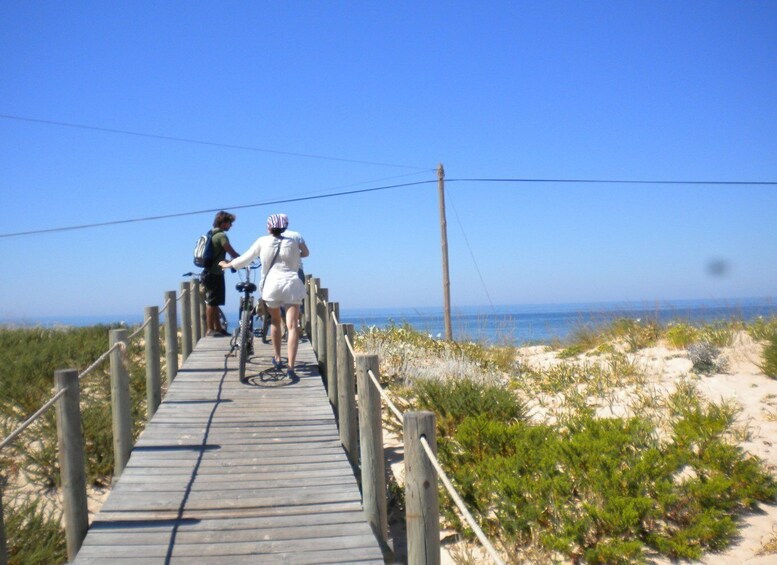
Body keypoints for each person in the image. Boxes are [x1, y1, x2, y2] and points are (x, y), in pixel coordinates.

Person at [220, 213, 309, 378]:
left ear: (269, 227)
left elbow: (244, 259)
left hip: (271, 287)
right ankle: (291, 367)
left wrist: (227, 265)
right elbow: (306, 253)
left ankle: (277, 357)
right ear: (285, 227)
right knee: (292, 326)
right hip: (291, 285)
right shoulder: (294, 241)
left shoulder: (262, 241)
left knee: (275, 321)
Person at [203, 211, 239, 336]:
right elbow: (232, 252)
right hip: (214, 273)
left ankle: (218, 328)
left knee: (215, 302)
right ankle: (209, 329)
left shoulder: (212, 234)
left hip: (212, 272)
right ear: (223, 223)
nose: (231, 226)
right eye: (230, 223)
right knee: (212, 302)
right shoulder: (221, 236)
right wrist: (243, 260)